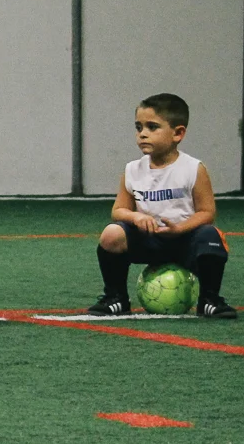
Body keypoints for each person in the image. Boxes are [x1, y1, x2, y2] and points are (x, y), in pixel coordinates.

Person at [90, 93, 234, 318]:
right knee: (111, 234)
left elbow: (207, 212)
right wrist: (136, 217)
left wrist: (180, 229)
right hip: (149, 240)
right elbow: (118, 210)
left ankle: (209, 300)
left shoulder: (193, 168)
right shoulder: (132, 170)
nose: (143, 134)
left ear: (178, 133)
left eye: (152, 127)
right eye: (138, 127)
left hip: (184, 240)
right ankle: (116, 298)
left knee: (211, 236)